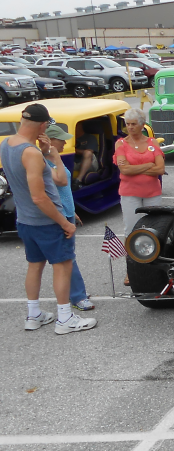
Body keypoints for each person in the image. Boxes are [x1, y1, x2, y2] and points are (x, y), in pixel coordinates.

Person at [0, 104, 95, 334]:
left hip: (25, 220)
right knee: (63, 265)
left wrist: (45, 152)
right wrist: (64, 222)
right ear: (43, 125)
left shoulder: (6, 144)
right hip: (47, 221)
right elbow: (39, 197)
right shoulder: (30, 153)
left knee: (35, 265)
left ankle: (33, 315)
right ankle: (65, 319)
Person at [42, 123, 93, 311]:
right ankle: (78, 296)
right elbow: (59, 182)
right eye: (61, 139)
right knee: (66, 257)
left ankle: (75, 292)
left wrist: (73, 210)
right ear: (50, 140)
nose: (65, 142)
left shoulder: (55, 159)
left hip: (68, 211)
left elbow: (63, 189)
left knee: (69, 256)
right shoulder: (43, 161)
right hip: (59, 215)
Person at [116, 108, 164, 285]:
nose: (130, 127)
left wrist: (135, 168)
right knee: (131, 230)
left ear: (142, 125)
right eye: (127, 124)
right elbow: (124, 169)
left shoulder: (152, 143)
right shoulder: (121, 144)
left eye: (133, 124)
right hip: (130, 193)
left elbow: (160, 169)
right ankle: (131, 270)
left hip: (152, 192)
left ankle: (155, 267)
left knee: (155, 230)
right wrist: (148, 164)